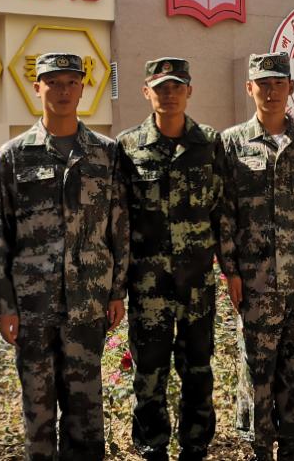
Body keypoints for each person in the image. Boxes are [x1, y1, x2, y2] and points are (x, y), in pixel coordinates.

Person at [0, 52, 129, 461]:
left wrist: (116, 291)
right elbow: (1, 234)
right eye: (53, 82)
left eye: (71, 82)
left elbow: (119, 225)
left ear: (82, 89)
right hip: (33, 303)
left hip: (88, 300)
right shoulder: (15, 154)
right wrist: (5, 304)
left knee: (85, 406)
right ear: (37, 88)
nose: (63, 90)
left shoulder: (106, 153)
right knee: (37, 407)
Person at [220, 52, 294, 461]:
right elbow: (225, 213)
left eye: (278, 83)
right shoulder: (233, 142)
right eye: (263, 84)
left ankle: (290, 444)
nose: (270, 91)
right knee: (258, 366)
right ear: (249, 88)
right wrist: (231, 271)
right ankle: (259, 446)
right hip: (256, 278)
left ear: (291, 88)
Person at [117, 58, 227, 461]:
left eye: (177, 86)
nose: (169, 94)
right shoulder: (128, 146)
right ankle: (153, 447)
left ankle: (195, 446)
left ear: (189, 91)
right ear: (147, 92)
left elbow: (221, 212)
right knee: (149, 371)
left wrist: (230, 269)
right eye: (161, 87)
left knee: (198, 367)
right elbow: (120, 220)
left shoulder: (209, 143)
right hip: (148, 285)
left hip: (197, 283)